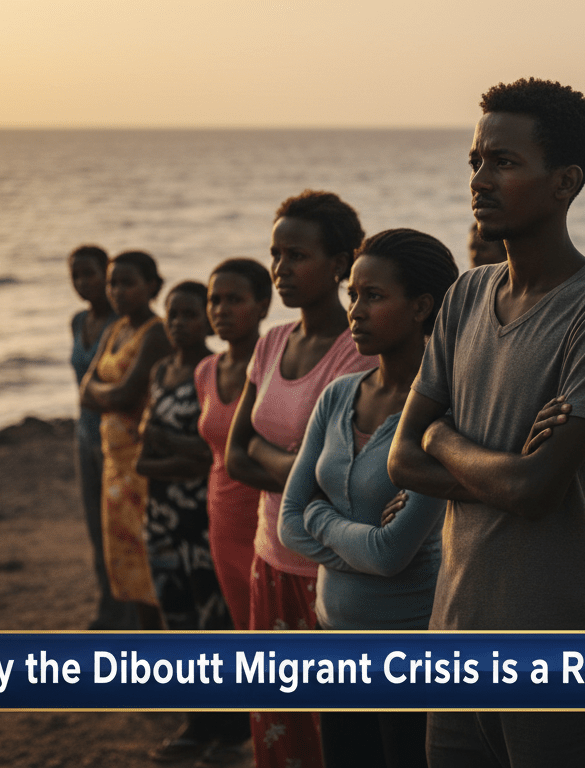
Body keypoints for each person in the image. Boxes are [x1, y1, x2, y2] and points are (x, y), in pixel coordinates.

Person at [388, 77, 585, 768]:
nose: (480, 179)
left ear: (565, 181)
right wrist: (489, 463)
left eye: (504, 162)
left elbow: (537, 491)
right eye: (476, 160)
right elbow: (402, 460)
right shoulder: (465, 295)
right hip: (455, 630)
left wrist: (445, 437)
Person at [279, 228, 459, 768]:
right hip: (333, 637)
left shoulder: (440, 414)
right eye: (353, 294)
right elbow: (289, 523)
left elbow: (393, 553)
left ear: (421, 306)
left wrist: (321, 515)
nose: (354, 310)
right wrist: (337, 526)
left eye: (374, 296)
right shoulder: (338, 394)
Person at [225, 190, 376, 768]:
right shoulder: (270, 342)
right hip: (270, 558)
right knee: (278, 723)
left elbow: (342, 477)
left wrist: (289, 462)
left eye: (296, 255)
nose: (279, 269)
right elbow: (235, 456)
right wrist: (302, 466)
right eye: (275, 254)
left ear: (339, 264)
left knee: (332, 732)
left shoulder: (358, 353)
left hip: (327, 570)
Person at [136, 280, 251, 766]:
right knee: (177, 618)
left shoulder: (217, 374)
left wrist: (170, 454)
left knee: (215, 621)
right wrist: (169, 456)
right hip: (161, 516)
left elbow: (210, 454)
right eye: (172, 314)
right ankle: (197, 720)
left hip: (203, 513)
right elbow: (146, 446)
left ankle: (230, 727)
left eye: (189, 313)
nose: (178, 322)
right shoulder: (162, 370)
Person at [80, 250, 172, 629]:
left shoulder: (156, 332)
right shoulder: (118, 330)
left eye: (127, 283)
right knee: (124, 557)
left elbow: (124, 395)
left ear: (151, 286)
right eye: (112, 283)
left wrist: (106, 393)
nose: (117, 291)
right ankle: (144, 642)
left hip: (141, 465)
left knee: (151, 559)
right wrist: (107, 393)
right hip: (114, 465)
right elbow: (86, 388)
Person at [196, 258, 271, 631]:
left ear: (263, 306)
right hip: (222, 518)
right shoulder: (206, 370)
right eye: (214, 300)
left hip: (266, 517)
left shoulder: (276, 365)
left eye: (234, 300)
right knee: (243, 624)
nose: (221, 310)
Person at [66, 244, 137, 630]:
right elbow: (87, 385)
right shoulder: (78, 322)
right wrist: (95, 393)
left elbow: (119, 388)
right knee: (96, 528)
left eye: (91, 274)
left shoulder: (122, 325)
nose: (84, 283)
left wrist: (97, 393)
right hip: (84, 435)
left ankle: (127, 612)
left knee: (121, 528)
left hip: (117, 440)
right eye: (76, 275)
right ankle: (108, 607)